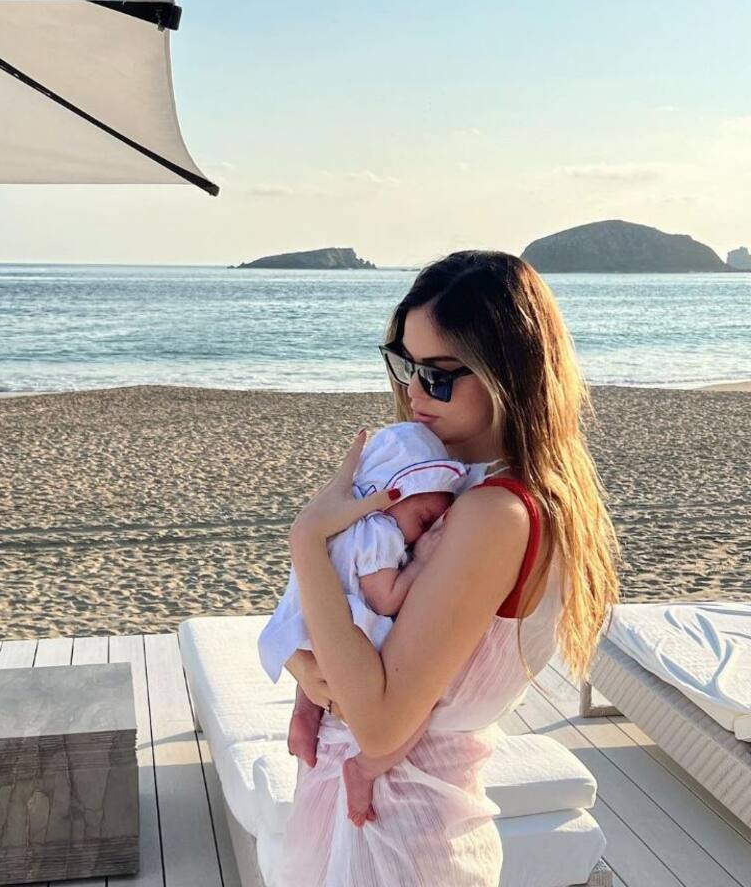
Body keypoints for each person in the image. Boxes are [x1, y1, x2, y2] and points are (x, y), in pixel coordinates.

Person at [280, 250, 621, 886]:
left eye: (437, 375)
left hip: (396, 836)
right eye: (404, 365)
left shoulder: (494, 512)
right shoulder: (458, 488)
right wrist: (306, 665)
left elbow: (379, 722)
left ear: (508, 374)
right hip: (378, 816)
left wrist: (306, 539)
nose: (412, 392)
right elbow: (348, 642)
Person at [257, 421, 470, 825]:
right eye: (424, 519)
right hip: (348, 629)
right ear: (391, 497)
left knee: (317, 662)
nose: (421, 534)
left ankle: (304, 715)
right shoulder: (380, 532)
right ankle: (366, 768)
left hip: (314, 624)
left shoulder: (348, 524)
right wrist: (421, 563)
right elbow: (384, 597)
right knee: (422, 710)